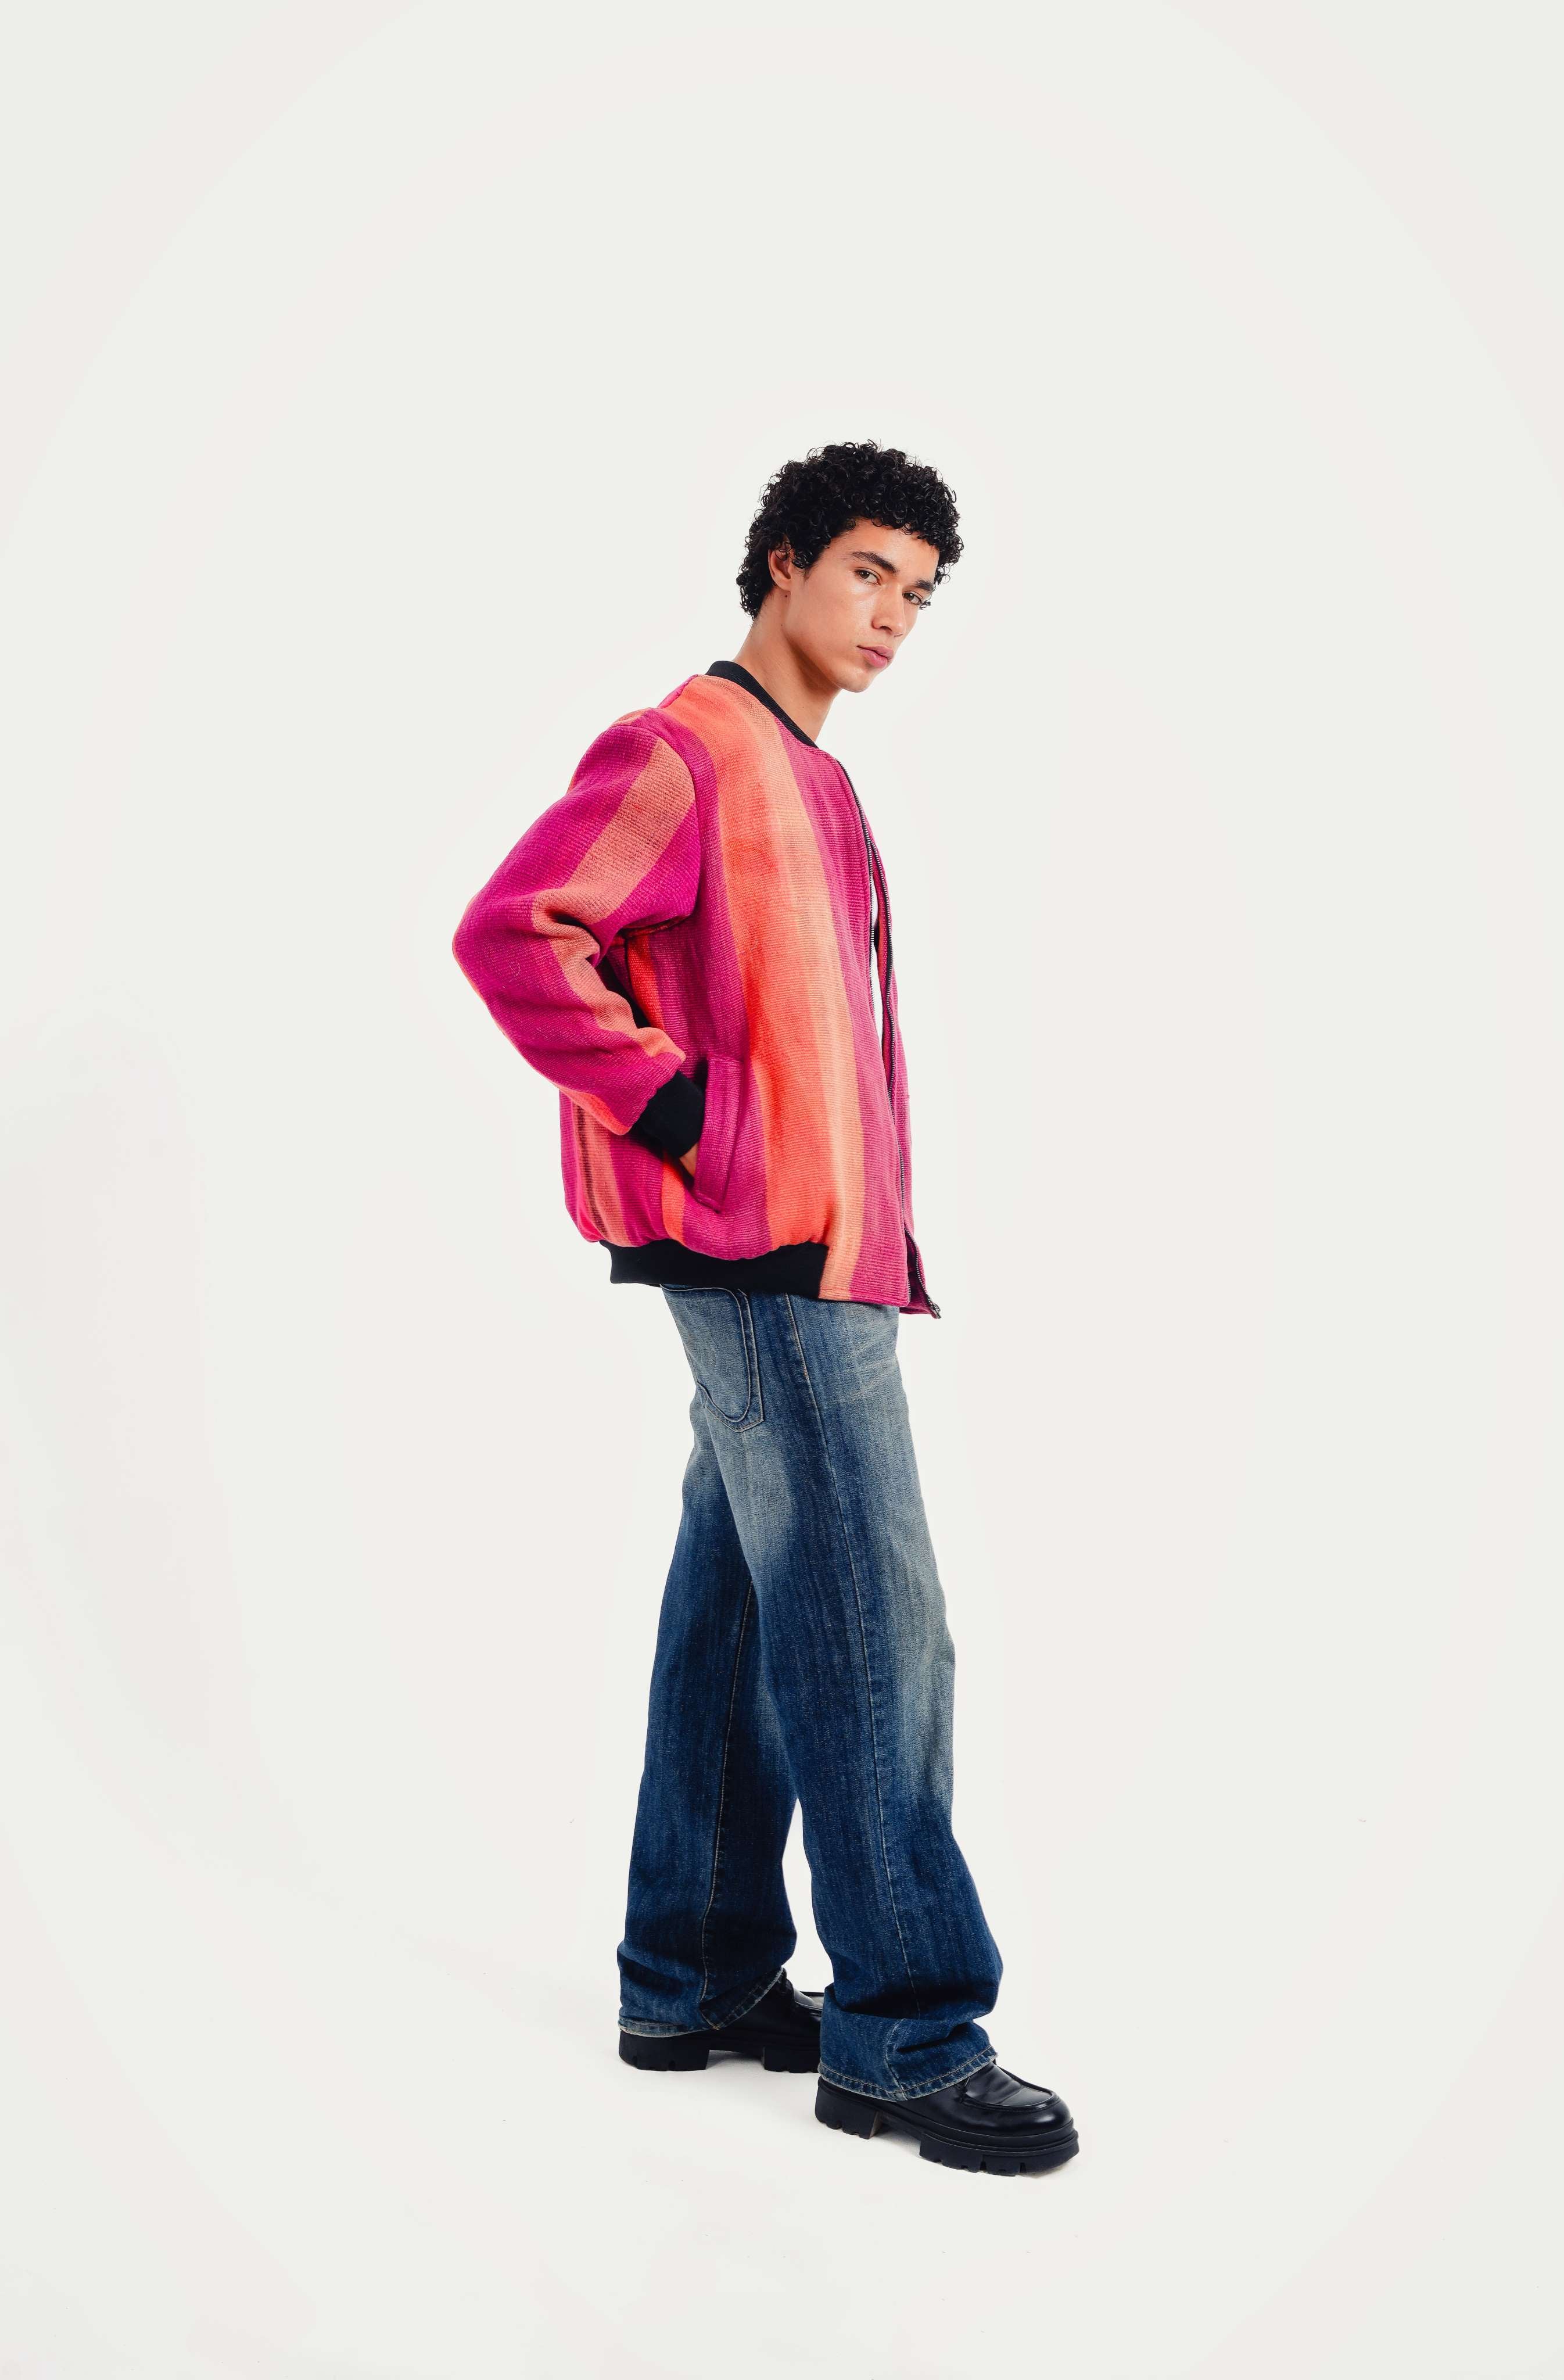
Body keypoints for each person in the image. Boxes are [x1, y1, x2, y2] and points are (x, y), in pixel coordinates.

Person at [451, 440, 1078, 2178]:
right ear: (784, 562)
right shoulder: (685, 750)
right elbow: (517, 932)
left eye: (920, 595)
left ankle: (697, 1973)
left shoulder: (813, 777)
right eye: (869, 572)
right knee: (876, 1624)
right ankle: (907, 2034)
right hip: (767, 1253)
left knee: (739, 1611)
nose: (893, 617)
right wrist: (684, 1114)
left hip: (823, 1249)